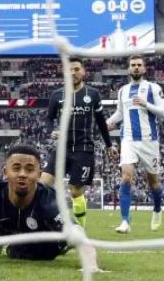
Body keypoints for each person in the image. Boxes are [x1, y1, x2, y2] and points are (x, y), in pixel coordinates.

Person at [0, 145, 103, 271]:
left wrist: (91, 266)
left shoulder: (51, 200)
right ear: (5, 172)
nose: (23, 174)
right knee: (4, 243)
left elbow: (78, 234)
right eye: (16, 168)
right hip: (9, 233)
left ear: (39, 175)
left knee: (62, 241)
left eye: (30, 169)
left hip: (45, 244)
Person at [39, 58, 117, 228]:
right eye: (69, 70)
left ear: (83, 72)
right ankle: (39, 224)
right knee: (42, 185)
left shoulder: (93, 94)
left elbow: (101, 122)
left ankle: (79, 230)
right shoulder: (57, 95)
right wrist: (51, 130)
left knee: (75, 192)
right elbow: (49, 119)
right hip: (62, 149)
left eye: (76, 69)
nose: (73, 73)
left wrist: (109, 145)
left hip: (84, 150)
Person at [106, 54, 164, 233]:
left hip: (149, 141)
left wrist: (146, 104)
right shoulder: (123, 90)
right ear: (128, 69)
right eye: (133, 65)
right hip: (129, 140)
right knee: (126, 177)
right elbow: (120, 113)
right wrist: (108, 123)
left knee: (153, 183)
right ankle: (125, 221)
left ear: (144, 68)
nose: (136, 67)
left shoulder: (153, 88)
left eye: (139, 65)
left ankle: (157, 209)